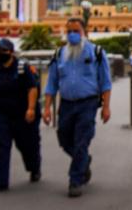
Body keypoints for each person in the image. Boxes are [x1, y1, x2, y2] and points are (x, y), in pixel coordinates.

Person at [43, 18, 112, 198]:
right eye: (69, 31)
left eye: (76, 30)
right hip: (66, 104)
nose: (72, 34)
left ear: (84, 32)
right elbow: (51, 83)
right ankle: (83, 161)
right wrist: (47, 108)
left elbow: (105, 83)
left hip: (87, 104)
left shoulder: (96, 52)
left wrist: (106, 107)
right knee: (64, 139)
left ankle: (75, 180)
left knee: (82, 140)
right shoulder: (59, 55)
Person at [0, 38, 41, 194]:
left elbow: (32, 89)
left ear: (11, 52)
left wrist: (31, 109)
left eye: (4, 51)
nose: (0, 54)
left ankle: (34, 168)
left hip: (21, 113)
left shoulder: (22, 68)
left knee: (27, 145)